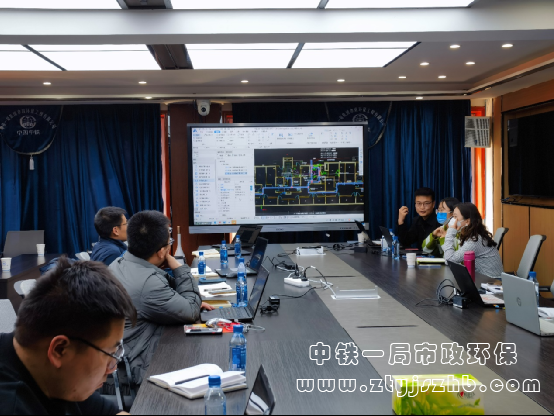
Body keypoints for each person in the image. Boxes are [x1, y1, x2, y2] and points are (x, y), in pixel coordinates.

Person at [0, 257, 136, 415]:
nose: (112, 369)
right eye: (110, 355)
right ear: (59, 350)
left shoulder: (59, 376)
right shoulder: (12, 406)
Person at [109, 210, 214, 386]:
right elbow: (191, 311)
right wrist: (178, 267)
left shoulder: (120, 263)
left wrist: (184, 301)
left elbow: (174, 294)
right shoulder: (148, 284)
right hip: (140, 366)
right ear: (161, 252)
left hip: (127, 353)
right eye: (169, 243)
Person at [443, 202, 504, 279]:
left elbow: (449, 260)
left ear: (467, 221)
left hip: (492, 282)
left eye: (455, 217)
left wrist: (450, 233)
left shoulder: (474, 240)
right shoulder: (473, 235)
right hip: (483, 279)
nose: (452, 220)